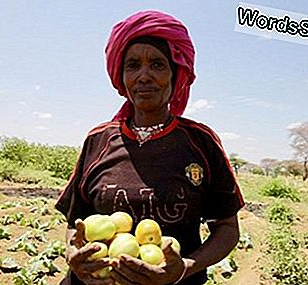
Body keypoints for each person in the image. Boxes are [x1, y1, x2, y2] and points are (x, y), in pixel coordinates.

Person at [55, 10, 244, 285]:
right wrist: (74, 253)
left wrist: (183, 269)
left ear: (176, 75)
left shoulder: (201, 142)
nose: (143, 76)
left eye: (157, 64)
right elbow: (76, 223)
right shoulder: (98, 140)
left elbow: (227, 228)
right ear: (121, 76)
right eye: (132, 65)